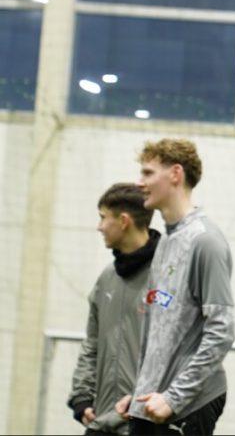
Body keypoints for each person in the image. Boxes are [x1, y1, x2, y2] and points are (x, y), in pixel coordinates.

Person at [114, 138, 235, 436]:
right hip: (152, 401)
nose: (140, 183)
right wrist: (140, 390)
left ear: (175, 174)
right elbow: (159, 329)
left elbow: (221, 331)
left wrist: (174, 398)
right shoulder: (167, 240)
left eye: (148, 173)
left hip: (186, 404)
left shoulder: (205, 241)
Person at [67, 183, 160, 436]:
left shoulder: (167, 276)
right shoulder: (106, 278)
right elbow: (92, 343)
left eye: (103, 217)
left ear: (124, 221)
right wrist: (82, 396)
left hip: (147, 422)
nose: (99, 227)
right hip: (103, 421)